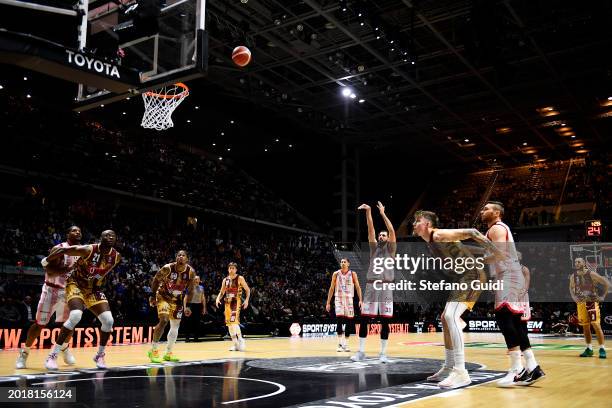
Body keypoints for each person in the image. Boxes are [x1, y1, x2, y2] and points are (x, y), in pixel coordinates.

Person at [412, 210, 496, 388]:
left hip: (471, 276)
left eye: (417, 221)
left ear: (427, 224)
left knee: (451, 317)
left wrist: (498, 250)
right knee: (445, 317)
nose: (414, 224)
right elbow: (465, 247)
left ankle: (461, 371)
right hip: (462, 278)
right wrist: (483, 251)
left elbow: (472, 232)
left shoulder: (438, 234)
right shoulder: (433, 241)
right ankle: (449, 366)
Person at [481, 201, 545, 386]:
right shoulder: (498, 230)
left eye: (487, 209)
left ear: (497, 213)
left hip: (508, 275)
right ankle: (533, 367)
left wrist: (476, 257)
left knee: (504, 319)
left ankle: (516, 369)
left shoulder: (496, 228)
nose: (483, 211)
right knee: (516, 323)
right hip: (510, 275)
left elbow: (499, 254)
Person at [43, 230, 121, 370]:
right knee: (75, 315)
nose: (110, 237)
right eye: (106, 235)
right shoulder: (88, 249)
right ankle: (52, 355)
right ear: (100, 238)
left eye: (112, 236)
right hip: (75, 284)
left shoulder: (116, 257)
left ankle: (100, 355)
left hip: (94, 290)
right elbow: (62, 250)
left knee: (109, 321)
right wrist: (46, 260)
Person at [16, 226, 81, 369]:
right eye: (74, 230)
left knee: (70, 325)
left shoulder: (82, 251)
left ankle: (64, 348)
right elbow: (50, 272)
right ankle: (24, 353)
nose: (77, 232)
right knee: (40, 324)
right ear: (67, 234)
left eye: (79, 231)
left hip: (69, 292)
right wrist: (68, 269)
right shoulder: (58, 248)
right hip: (51, 289)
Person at [352, 201, 395, 363]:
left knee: (385, 321)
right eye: (380, 235)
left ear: (388, 238)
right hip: (371, 286)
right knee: (364, 319)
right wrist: (369, 212)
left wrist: (382, 213)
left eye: (383, 235)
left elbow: (391, 230)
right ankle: (361, 351)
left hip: (386, 287)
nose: (380, 236)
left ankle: (383, 353)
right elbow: (370, 229)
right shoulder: (373, 248)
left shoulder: (391, 249)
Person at [148, 250, 197, 362]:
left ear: (187, 259)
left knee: (175, 326)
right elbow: (156, 280)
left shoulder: (190, 272)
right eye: (178, 255)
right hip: (163, 296)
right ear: (176, 258)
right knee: (164, 320)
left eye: (183, 255)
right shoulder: (167, 268)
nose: (180, 257)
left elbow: (190, 289)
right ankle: (153, 350)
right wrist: (152, 295)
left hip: (178, 300)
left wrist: (188, 305)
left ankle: (168, 353)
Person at [570, 257, 608, 359]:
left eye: (579, 261)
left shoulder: (591, 274)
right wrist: (574, 297)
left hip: (591, 302)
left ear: (584, 263)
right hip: (581, 304)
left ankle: (602, 348)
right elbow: (571, 288)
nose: (576, 263)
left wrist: (602, 297)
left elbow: (606, 283)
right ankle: (589, 349)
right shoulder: (573, 276)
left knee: (596, 325)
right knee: (585, 327)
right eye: (575, 262)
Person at [325, 258, 363, 352]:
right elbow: (331, 288)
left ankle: (345, 344)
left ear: (348, 264)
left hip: (349, 299)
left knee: (349, 322)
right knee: (339, 320)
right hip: (339, 299)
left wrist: (360, 300)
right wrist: (328, 302)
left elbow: (358, 287)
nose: (342, 263)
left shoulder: (353, 274)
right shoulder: (336, 274)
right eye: (341, 262)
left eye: (344, 262)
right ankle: (339, 343)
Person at [215, 262, 251, 351]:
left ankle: (241, 339)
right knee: (229, 325)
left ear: (236, 270)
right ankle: (235, 344)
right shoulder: (225, 280)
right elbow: (222, 292)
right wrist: (217, 298)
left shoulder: (240, 278)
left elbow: (247, 290)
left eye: (233, 268)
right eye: (230, 268)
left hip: (236, 302)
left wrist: (246, 300)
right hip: (227, 303)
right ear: (228, 269)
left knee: (234, 322)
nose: (231, 270)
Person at [184, 276, 207, 342]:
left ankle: (196, 337)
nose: (196, 280)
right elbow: (185, 298)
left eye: (198, 279)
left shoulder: (202, 288)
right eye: (195, 279)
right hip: (190, 305)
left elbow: (203, 298)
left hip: (198, 305)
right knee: (188, 322)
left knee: (197, 322)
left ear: (199, 280)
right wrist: (185, 307)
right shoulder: (189, 287)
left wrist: (204, 308)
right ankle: (187, 338)